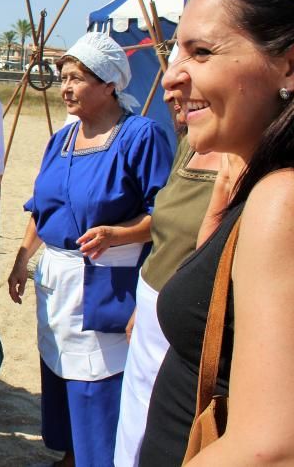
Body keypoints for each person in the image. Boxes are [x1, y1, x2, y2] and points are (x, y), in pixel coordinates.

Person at [138, 0, 294, 464]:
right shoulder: (261, 184)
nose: (172, 76)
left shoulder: (283, 199)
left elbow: (268, 447)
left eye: (201, 52)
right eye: (178, 51)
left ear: (289, 67)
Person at [7, 32, 173, 467]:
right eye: (62, 77)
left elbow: (169, 215)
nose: (65, 88)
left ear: (109, 83)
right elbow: (41, 207)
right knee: (60, 371)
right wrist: (23, 258)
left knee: (97, 383)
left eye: (77, 78)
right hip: (57, 280)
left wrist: (120, 235)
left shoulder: (140, 136)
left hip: (106, 282)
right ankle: (72, 455)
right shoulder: (62, 137)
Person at [113, 79, 219, 466]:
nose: (170, 85)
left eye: (202, 54)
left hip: (195, 325)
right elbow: (167, 230)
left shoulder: (266, 165)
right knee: (134, 431)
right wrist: (145, 303)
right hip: (155, 306)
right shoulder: (191, 140)